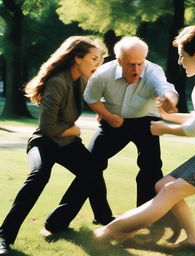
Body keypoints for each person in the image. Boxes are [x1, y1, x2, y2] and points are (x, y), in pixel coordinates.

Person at [93, 26, 195, 250]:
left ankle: (111, 231)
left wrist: (164, 128)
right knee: (163, 185)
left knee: (169, 190)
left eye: (182, 56)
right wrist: (169, 116)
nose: (180, 61)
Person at [0, 36, 107, 255]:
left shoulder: (82, 79)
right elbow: (47, 126)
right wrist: (74, 130)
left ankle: (58, 223)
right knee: (38, 176)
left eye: (99, 59)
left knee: (92, 171)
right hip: (44, 143)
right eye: (93, 58)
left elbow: (99, 95)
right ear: (77, 58)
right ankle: (3, 236)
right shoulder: (58, 81)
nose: (97, 64)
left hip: (67, 144)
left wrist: (103, 112)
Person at [84, 36, 179, 225]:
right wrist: (108, 116)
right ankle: (101, 216)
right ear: (119, 61)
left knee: (151, 168)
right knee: (90, 165)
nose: (136, 69)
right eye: (130, 64)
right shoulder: (103, 73)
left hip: (146, 121)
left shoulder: (153, 71)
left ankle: (146, 217)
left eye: (139, 63)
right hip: (113, 121)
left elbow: (165, 88)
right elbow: (91, 98)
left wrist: (170, 101)